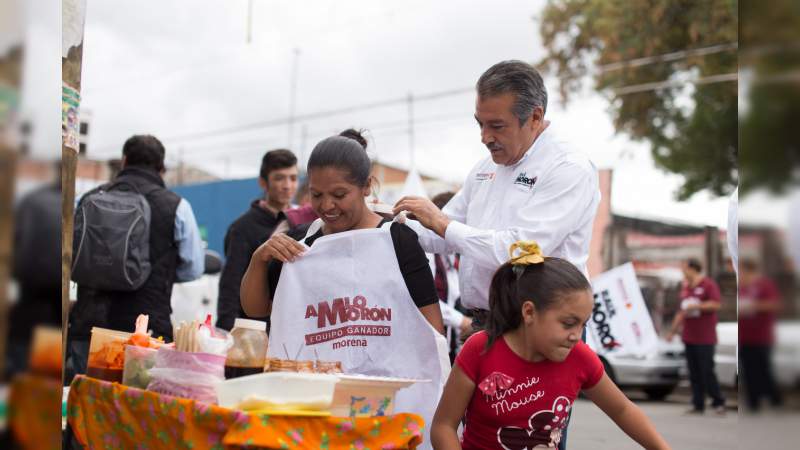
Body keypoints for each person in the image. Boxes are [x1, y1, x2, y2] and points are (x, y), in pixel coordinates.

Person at [394, 60, 598, 449]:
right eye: (480, 124)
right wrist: (379, 226)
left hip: (539, 327)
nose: (485, 137)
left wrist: (441, 224)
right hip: (484, 326)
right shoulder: (484, 170)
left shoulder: (568, 168)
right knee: (474, 435)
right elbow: (440, 235)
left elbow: (523, 250)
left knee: (532, 440)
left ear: (534, 117)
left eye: (497, 125)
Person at [240, 129, 446, 450]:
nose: (327, 205)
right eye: (316, 195)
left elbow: (431, 331)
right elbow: (255, 309)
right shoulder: (298, 245)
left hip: (392, 410)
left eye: (339, 194)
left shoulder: (398, 240)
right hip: (318, 412)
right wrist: (259, 258)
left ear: (367, 187)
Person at [431, 241, 671, 450]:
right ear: (529, 312)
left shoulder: (580, 356)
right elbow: (443, 427)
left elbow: (622, 410)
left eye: (583, 325)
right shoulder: (481, 348)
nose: (576, 335)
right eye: (568, 323)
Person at [68, 135, 204, 374]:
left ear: (124, 161)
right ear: (162, 168)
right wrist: (163, 273)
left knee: (86, 393)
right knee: (140, 396)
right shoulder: (177, 206)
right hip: (146, 333)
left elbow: (71, 254)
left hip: (90, 326)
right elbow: (193, 268)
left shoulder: (87, 199)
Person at [216, 149, 299, 331]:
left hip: (297, 327)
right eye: (279, 178)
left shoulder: (305, 221)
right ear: (263, 182)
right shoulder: (242, 228)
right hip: (258, 331)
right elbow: (231, 287)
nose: (287, 185)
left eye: (293, 178)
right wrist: (227, 333)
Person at [666, 258, 725, 414]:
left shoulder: (708, 284)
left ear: (693, 269)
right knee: (693, 372)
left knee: (707, 370)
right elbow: (681, 312)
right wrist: (672, 331)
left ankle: (718, 401)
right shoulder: (686, 287)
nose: (683, 271)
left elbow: (716, 304)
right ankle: (698, 403)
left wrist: (697, 306)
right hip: (689, 336)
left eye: (685, 268)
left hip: (705, 337)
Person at [430, 191, 472, 362]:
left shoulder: (454, 255)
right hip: (430, 344)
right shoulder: (429, 252)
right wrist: (462, 321)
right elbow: (425, 299)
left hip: (449, 344)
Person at [738, 258, 783, 411]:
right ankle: (753, 402)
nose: (741, 274)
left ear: (749, 270)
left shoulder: (764, 285)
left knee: (763, 369)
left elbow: (774, 304)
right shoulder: (742, 288)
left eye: (742, 270)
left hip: (762, 336)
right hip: (745, 336)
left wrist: (753, 305)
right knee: (748, 370)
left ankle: (775, 398)